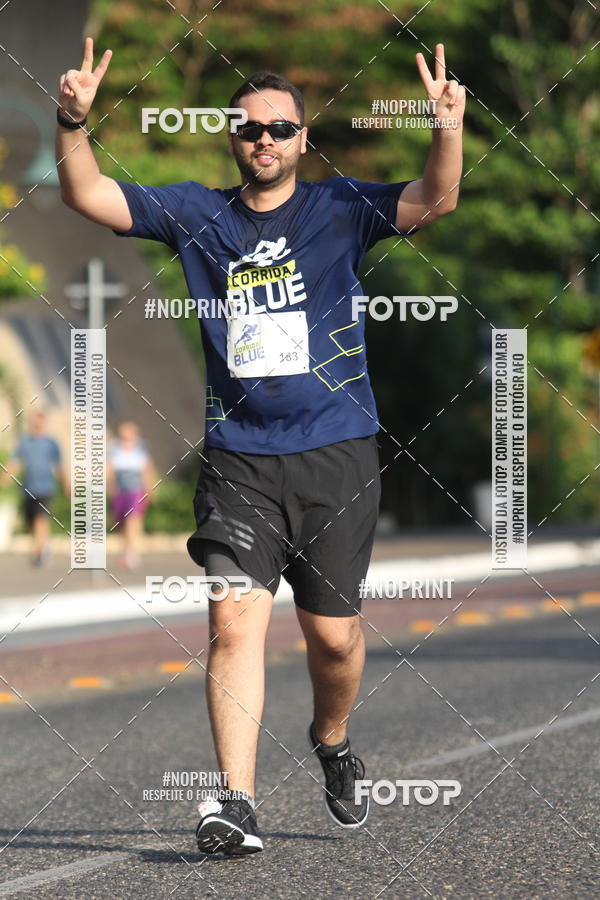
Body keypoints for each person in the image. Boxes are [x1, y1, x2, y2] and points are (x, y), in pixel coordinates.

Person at [56, 37, 464, 856]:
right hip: (240, 458)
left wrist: (446, 129)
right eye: (250, 130)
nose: (265, 140)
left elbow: (436, 199)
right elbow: (91, 196)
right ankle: (234, 802)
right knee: (233, 623)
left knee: (334, 639)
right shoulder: (197, 215)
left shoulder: (340, 210)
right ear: (232, 139)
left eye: (280, 128)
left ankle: (334, 741)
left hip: (337, 454)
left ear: (302, 140)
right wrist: (69, 125)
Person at [2, 410, 68, 565]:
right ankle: (42, 545)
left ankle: (39, 552)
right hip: (28, 488)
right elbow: (16, 461)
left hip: (46, 487)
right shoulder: (25, 442)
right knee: (32, 521)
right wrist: (6, 477)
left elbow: (59, 465)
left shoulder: (51, 443)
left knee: (41, 518)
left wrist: (66, 484)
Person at [106, 420, 156, 569]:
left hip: (136, 489)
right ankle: (125, 550)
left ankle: (132, 553)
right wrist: (110, 488)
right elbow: (108, 469)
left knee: (133, 519)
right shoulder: (113, 448)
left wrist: (150, 489)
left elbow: (147, 469)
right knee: (121, 524)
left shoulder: (141, 448)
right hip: (120, 490)